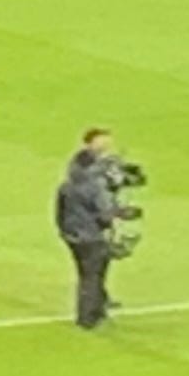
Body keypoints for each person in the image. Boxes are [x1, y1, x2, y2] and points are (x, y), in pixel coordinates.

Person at [53, 128, 133, 331]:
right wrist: (122, 213)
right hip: (90, 235)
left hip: (72, 234)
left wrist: (64, 231)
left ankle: (100, 304)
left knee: (88, 273)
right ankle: (88, 318)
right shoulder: (95, 187)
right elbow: (105, 212)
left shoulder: (68, 184)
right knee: (92, 275)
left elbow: (60, 209)